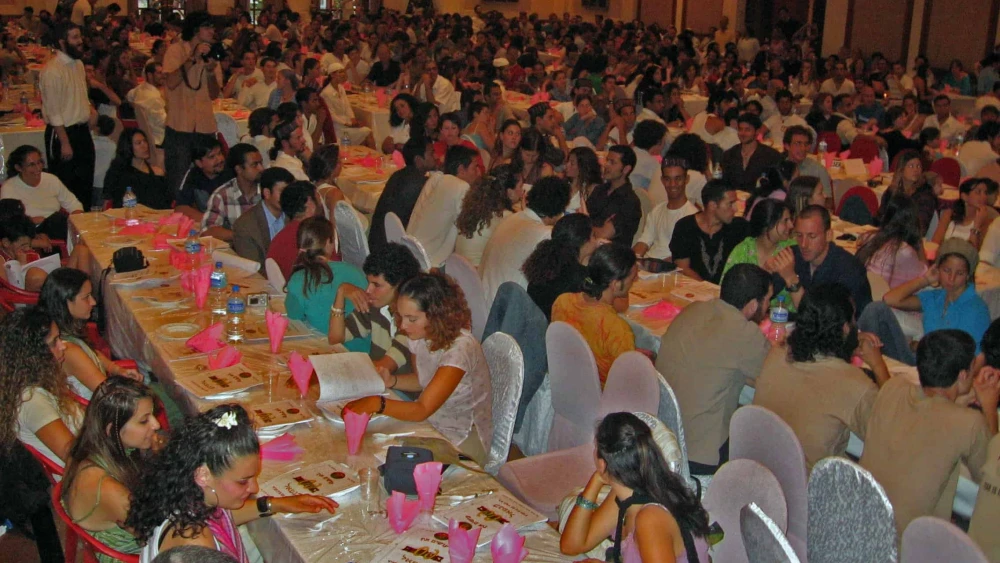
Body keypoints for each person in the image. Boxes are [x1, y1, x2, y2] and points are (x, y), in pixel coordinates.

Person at [125, 405, 338, 561]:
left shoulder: (188, 497)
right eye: (243, 481)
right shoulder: (196, 546)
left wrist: (274, 504)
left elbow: (221, 518)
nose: (254, 488)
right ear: (204, 475)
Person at [342, 272, 493, 464]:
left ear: (437, 316)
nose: (403, 326)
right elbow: (424, 381)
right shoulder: (421, 335)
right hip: (433, 422)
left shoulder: (460, 349)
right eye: (401, 316)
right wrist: (393, 381)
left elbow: (421, 409)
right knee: (370, 447)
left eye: (412, 319)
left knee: (385, 461)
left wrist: (377, 403)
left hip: (463, 437)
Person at [860, 329, 997, 534]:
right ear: (962, 375)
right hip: (908, 544)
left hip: (861, 519)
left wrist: (960, 398)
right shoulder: (969, 423)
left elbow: (931, 408)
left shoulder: (893, 387)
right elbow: (991, 476)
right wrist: (989, 408)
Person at [753, 284, 885, 470]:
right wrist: (878, 366)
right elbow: (889, 433)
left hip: (759, 471)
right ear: (845, 329)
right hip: (807, 489)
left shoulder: (776, 354)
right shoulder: (855, 384)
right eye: (853, 319)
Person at [659, 263, 773, 475]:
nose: (769, 307)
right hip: (698, 454)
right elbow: (772, 376)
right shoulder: (745, 334)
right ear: (751, 305)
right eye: (767, 300)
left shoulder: (693, 309)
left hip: (662, 435)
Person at [560, 412, 711, 562]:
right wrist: (596, 480)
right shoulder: (629, 493)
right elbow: (571, 545)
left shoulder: (650, 519)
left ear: (602, 462)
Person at [61, 377, 162, 562]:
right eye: (144, 421)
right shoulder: (108, 488)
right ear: (111, 430)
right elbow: (159, 534)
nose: (156, 425)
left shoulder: (90, 448)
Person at [860, 238, 991, 365]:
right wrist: (925, 280)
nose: (951, 278)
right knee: (875, 309)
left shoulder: (976, 309)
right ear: (938, 269)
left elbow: (977, 358)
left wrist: (920, 346)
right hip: (921, 361)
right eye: (946, 271)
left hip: (946, 372)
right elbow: (889, 299)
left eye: (960, 273)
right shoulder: (936, 297)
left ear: (968, 275)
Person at [39, 268, 143, 400]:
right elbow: (109, 395)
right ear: (66, 302)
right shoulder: (68, 351)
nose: (93, 302)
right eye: (86, 297)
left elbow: (91, 353)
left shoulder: (64, 332)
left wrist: (116, 369)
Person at [0, 307, 84, 467]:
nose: (62, 346)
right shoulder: (32, 401)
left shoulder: (36, 384)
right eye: (54, 342)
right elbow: (75, 458)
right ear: (33, 355)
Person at [552, 243, 639, 388]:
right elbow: (628, 382)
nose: (636, 280)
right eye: (633, 277)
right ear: (616, 284)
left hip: (567, 386)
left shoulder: (562, 302)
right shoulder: (616, 328)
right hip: (604, 397)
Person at [328, 242, 420, 370]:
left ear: (400, 285)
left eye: (377, 285)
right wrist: (341, 292)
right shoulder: (375, 306)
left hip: (398, 388)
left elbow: (385, 367)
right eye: (369, 282)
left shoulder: (411, 320)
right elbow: (336, 338)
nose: (368, 290)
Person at [480, 176, 571, 304]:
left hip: (483, 298)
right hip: (504, 310)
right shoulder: (546, 234)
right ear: (558, 210)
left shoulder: (512, 218)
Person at [161, 12, 222, 197]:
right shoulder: (176, 51)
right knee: (178, 182)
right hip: (180, 126)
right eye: (208, 27)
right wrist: (192, 59)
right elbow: (171, 82)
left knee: (209, 182)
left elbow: (214, 94)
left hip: (205, 126)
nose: (212, 31)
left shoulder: (212, 53)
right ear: (196, 29)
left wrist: (211, 72)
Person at [40, 23, 96, 208]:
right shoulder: (52, 71)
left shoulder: (78, 64)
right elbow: (53, 111)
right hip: (62, 134)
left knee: (85, 185)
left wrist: (90, 112)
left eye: (80, 36)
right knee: (65, 188)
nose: (80, 41)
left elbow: (81, 95)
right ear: (62, 42)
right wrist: (64, 142)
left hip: (81, 132)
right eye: (75, 38)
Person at [285, 216, 367, 336]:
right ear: (329, 242)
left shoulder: (298, 280)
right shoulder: (355, 272)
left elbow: (293, 318)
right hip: (362, 349)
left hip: (326, 348)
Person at [406, 145, 481, 268]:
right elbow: (469, 229)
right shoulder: (461, 187)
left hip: (411, 252)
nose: (479, 172)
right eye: (475, 167)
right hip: (430, 264)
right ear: (461, 169)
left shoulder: (436, 178)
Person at [670, 179, 749, 284]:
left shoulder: (739, 227)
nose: (735, 209)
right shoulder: (685, 227)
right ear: (712, 205)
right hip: (693, 291)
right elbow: (683, 268)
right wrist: (708, 290)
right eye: (730, 204)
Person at [523, 214, 601, 320]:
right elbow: (602, 304)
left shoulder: (546, 265)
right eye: (593, 236)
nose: (596, 241)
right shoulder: (579, 279)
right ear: (583, 241)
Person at [721, 199, 796, 306]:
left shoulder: (791, 250)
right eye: (785, 220)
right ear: (768, 223)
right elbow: (727, 291)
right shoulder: (743, 250)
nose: (791, 225)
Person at [1, 145, 83, 240]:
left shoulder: (51, 179)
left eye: (39, 162)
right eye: (32, 165)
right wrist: (30, 221)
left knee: (61, 220)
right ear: (19, 168)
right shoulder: (9, 188)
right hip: (32, 232)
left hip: (57, 225)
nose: (38, 168)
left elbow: (73, 204)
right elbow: (7, 222)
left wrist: (77, 220)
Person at [368, 137, 435, 251]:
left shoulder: (398, 174)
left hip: (377, 242)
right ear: (418, 160)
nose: (436, 157)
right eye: (431, 154)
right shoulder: (420, 183)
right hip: (393, 250)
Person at [855, 193, 928, 289]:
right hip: (888, 301)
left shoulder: (869, 237)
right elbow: (925, 276)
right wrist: (919, 241)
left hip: (866, 294)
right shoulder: (905, 251)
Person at [633, 158, 700, 260]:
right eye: (668, 179)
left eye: (678, 179)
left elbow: (682, 257)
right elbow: (644, 241)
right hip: (648, 264)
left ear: (687, 179)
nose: (673, 184)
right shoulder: (657, 210)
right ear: (662, 181)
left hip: (669, 270)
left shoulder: (693, 216)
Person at [455, 164, 522, 267]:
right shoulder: (506, 216)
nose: (523, 191)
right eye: (520, 187)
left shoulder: (478, 208)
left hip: (460, 270)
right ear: (509, 192)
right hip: (477, 275)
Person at [232, 168, 294, 274]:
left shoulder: (294, 215)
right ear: (267, 193)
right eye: (283, 192)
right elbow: (254, 271)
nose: (289, 197)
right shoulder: (245, 226)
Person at [587, 145, 641, 248]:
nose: (606, 165)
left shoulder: (630, 202)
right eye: (607, 160)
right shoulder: (600, 190)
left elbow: (603, 235)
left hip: (611, 255)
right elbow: (578, 220)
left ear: (626, 169)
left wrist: (586, 224)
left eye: (612, 162)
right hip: (588, 246)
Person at [266, 180, 321, 282]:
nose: (320, 204)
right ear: (310, 204)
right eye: (318, 198)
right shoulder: (316, 237)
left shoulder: (278, 239)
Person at [103, 128, 171, 210]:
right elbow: (108, 201)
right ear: (128, 146)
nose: (144, 146)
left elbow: (166, 202)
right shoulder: (117, 172)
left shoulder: (158, 172)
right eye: (138, 143)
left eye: (145, 141)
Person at [721, 113, 783, 192]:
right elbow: (723, 184)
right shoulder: (729, 155)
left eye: (747, 130)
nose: (743, 133)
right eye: (740, 129)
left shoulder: (771, 156)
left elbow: (776, 187)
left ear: (757, 132)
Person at [174, 137, 232, 222]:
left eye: (220, 153)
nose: (219, 159)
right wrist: (209, 220)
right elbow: (181, 207)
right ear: (199, 163)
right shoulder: (193, 175)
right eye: (212, 157)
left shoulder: (232, 172)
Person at [320, 63, 374, 148]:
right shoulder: (326, 93)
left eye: (343, 72)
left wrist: (352, 118)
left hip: (347, 124)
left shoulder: (341, 88)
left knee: (366, 133)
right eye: (340, 72)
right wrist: (347, 123)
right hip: (338, 128)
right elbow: (331, 115)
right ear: (332, 74)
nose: (343, 74)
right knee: (367, 132)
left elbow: (347, 106)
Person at [931, 177, 995, 246]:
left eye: (985, 193)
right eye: (978, 192)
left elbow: (973, 253)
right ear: (964, 196)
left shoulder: (987, 222)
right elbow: (935, 242)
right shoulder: (950, 213)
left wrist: (977, 226)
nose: (984, 197)